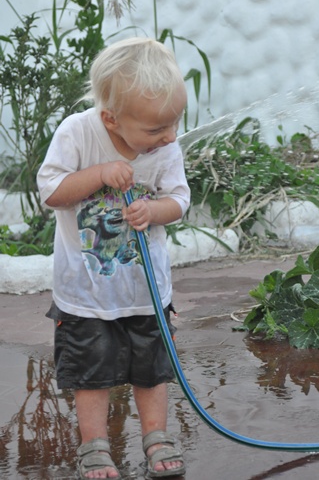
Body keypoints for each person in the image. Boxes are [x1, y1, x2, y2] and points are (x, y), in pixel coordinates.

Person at [37, 37, 190, 479]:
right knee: (91, 373)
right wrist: (99, 174)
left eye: (174, 124)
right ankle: (95, 447)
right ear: (111, 119)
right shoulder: (78, 133)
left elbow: (179, 200)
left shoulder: (164, 147)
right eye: (157, 129)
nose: (170, 136)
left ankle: (156, 437)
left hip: (145, 291)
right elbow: (51, 192)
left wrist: (155, 209)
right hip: (86, 292)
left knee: (152, 369)